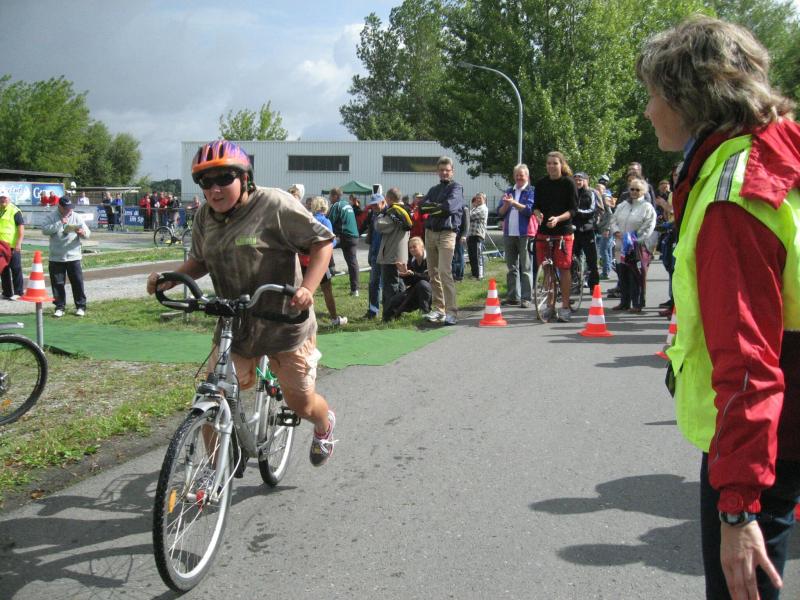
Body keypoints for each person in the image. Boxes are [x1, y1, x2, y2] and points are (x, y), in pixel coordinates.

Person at [637, 16, 800, 599]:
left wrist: (738, 506)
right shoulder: (778, 154)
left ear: (689, 96)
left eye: (654, 94)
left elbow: (748, 361)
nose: (648, 110)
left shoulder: (733, 192)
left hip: (763, 442)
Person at [146, 140, 337, 467]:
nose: (214, 189)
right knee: (212, 394)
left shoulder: (274, 204)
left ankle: (324, 424)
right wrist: (171, 279)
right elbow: (200, 260)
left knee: (301, 404)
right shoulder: (205, 216)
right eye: (206, 181)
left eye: (224, 178)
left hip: (285, 322)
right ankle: (212, 475)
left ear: (245, 178)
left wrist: (307, 288)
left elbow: (322, 242)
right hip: (236, 324)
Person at [533, 151, 578, 322]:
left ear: (561, 165)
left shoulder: (568, 183)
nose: (551, 166)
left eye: (555, 163)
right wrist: (538, 214)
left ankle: (565, 306)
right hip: (544, 231)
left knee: (564, 268)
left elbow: (573, 209)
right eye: (549, 163)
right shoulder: (541, 183)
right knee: (547, 268)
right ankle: (550, 306)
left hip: (563, 231)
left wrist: (558, 219)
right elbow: (536, 206)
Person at [419, 156, 464, 326]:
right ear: (437, 171)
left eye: (447, 170)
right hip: (430, 233)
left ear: (452, 171)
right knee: (433, 273)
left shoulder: (456, 188)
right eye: (441, 170)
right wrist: (438, 207)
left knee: (445, 272)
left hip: (447, 233)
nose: (444, 173)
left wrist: (434, 208)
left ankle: (452, 312)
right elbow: (422, 207)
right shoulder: (433, 189)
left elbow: (449, 208)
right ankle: (439, 309)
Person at [609, 176, 656, 313]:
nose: (634, 192)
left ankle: (637, 303)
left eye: (637, 190)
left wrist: (634, 238)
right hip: (620, 245)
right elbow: (613, 220)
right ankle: (624, 302)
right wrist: (616, 231)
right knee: (622, 273)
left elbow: (649, 226)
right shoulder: (623, 205)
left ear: (643, 191)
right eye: (632, 189)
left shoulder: (647, 207)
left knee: (636, 275)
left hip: (637, 247)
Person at [42, 196, 90, 317]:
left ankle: (80, 307)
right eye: (67, 208)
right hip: (56, 257)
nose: (69, 210)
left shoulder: (76, 216)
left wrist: (82, 233)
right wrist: (60, 223)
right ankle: (59, 307)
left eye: (71, 207)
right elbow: (44, 230)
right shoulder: (51, 216)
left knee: (77, 282)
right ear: (60, 207)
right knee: (57, 284)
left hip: (74, 256)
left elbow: (87, 233)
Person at [498, 163, 536, 308]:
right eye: (517, 175)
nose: (519, 177)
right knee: (511, 267)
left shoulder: (531, 191)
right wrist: (506, 205)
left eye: (522, 175)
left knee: (526, 267)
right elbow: (500, 212)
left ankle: (526, 297)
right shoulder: (509, 191)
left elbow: (529, 211)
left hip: (525, 233)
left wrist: (513, 203)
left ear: (527, 176)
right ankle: (513, 296)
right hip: (509, 233)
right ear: (514, 176)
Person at [308, 196, 347, 327]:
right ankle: (334, 318)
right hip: (320, 261)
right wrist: (337, 241)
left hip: (307, 259)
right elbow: (330, 242)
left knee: (308, 290)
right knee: (327, 290)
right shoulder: (325, 221)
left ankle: (306, 320)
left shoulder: (309, 220)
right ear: (324, 207)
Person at [375, 187, 411, 321]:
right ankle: (400, 312)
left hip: (391, 255)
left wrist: (380, 215)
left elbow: (380, 226)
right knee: (400, 284)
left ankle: (389, 315)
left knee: (390, 286)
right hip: (402, 255)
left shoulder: (393, 212)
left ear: (389, 199)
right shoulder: (406, 211)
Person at [384, 236, 432, 319]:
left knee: (423, 284)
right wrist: (404, 275)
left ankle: (425, 312)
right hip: (415, 290)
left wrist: (413, 274)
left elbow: (428, 278)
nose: (412, 249)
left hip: (432, 291)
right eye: (410, 248)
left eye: (414, 247)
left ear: (422, 247)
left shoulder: (430, 259)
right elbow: (409, 282)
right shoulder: (411, 261)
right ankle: (389, 319)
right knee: (394, 301)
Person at [327, 187, 360, 297]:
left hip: (343, 236)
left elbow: (329, 222)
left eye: (330, 196)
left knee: (325, 245)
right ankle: (355, 290)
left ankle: (331, 268)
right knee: (352, 263)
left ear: (335, 196)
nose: (329, 198)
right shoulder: (347, 205)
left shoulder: (336, 205)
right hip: (354, 236)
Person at [572, 172, 601, 291]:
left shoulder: (591, 193)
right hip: (574, 231)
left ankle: (594, 286)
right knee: (573, 259)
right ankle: (575, 284)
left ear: (585, 181)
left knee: (592, 260)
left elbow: (592, 210)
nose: (578, 182)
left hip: (587, 230)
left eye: (580, 180)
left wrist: (576, 211)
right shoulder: (571, 193)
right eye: (576, 180)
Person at [363, 193, 385, 319]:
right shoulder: (373, 214)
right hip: (375, 253)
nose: (374, 207)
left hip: (386, 254)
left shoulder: (389, 214)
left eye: (376, 204)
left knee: (389, 284)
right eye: (372, 205)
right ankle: (373, 310)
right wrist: (371, 252)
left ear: (383, 202)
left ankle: (392, 310)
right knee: (373, 283)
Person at [0, 191, 24, 300]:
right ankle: (7, 292)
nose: (2, 200)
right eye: (1, 198)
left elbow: (21, 228)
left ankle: (18, 292)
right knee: (3, 269)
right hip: (2, 245)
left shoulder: (15, 211)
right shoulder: (1, 210)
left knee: (15, 268)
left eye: (4, 198)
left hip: (13, 245)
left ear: (9, 198)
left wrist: (19, 243)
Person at [467, 193, 488, 280]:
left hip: (478, 235)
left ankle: (479, 275)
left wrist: (469, 211)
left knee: (477, 255)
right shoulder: (475, 208)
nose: (478, 200)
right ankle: (474, 274)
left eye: (480, 198)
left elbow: (469, 216)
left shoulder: (483, 208)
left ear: (484, 199)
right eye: (477, 198)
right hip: (471, 234)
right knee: (472, 255)